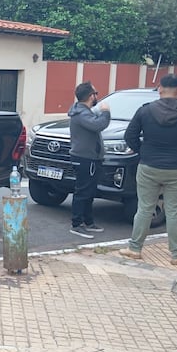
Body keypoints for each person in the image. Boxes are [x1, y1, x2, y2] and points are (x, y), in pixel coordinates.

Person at [119, 73, 177, 265]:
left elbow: (130, 136)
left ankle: (134, 249)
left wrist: (144, 152)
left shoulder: (145, 111)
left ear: (160, 89)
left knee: (144, 209)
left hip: (149, 166)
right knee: (175, 212)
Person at [68, 81, 111, 238]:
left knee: (89, 191)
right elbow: (98, 125)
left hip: (90, 157)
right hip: (84, 158)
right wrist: (106, 112)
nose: (97, 97)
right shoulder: (81, 113)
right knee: (82, 191)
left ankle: (88, 221)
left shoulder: (84, 111)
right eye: (95, 93)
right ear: (90, 96)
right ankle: (76, 224)